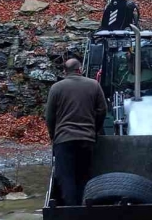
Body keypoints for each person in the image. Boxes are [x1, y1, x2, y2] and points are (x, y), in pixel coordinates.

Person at [45, 57, 108, 206]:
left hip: (64, 139)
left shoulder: (56, 88)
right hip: (87, 139)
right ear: (80, 69)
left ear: (65, 72)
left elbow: (49, 116)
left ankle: (70, 211)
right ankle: (85, 208)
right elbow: (102, 110)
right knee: (84, 175)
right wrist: (95, 130)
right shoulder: (94, 85)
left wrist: (54, 136)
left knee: (66, 177)